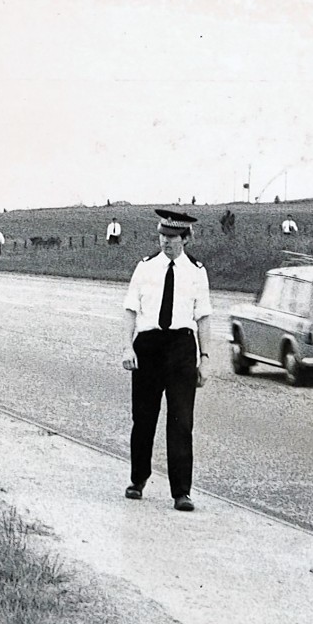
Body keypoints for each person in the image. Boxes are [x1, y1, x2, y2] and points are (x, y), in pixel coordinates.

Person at [120, 209, 212, 511]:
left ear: (185, 238)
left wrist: (205, 358)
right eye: (162, 236)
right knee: (144, 418)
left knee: (181, 422)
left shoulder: (197, 271)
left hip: (181, 348)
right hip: (148, 346)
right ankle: (138, 479)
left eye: (172, 237)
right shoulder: (145, 267)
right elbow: (131, 310)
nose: (165, 242)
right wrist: (127, 348)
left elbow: (203, 318)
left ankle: (181, 492)